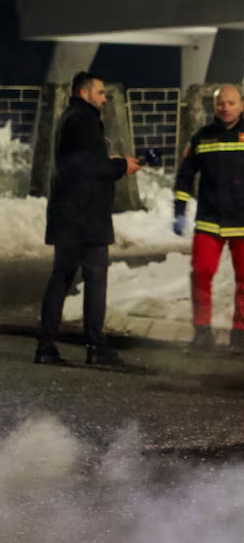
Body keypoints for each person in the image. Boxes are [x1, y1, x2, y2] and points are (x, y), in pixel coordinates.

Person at [173, 85, 244, 354]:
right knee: (200, 274)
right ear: (214, 107)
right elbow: (185, 176)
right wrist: (179, 210)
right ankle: (202, 333)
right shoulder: (202, 137)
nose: (225, 108)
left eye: (231, 103)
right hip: (210, 221)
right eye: (220, 104)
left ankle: (239, 334)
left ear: (241, 105)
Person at [35, 72, 140, 366]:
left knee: (61, 277)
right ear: (85, 93)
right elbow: (89, 166)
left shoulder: (69, 118)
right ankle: (96, 346)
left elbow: (78, 162)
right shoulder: (84, 120)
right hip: (86, 217)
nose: (105, 98)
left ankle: (46, 345)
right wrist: (121, 165)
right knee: (95, 280)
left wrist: (109, 162)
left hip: (67, 215)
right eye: (101, 93)